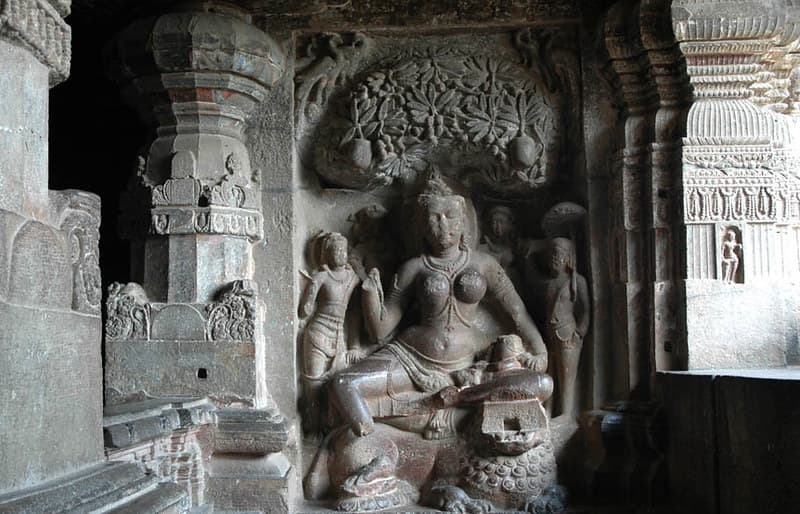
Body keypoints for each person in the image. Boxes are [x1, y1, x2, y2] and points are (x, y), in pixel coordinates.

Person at [329, 174, 549, 438]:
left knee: (541, 383)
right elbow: (379, 330)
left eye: (450, 216)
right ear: (421, 225)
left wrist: (539, 351)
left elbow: (517, 312)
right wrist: (370, 292)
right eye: (434, 217)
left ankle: (455, 400)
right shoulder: (414, 268)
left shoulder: (484, 265)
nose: (442, 224)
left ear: (464, 221)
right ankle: (370, 439)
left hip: (467, 369)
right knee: (344, 383)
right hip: (411, 358)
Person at [299, 232, 360, 433]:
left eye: (344, 250)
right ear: (326, 254)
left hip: (338, 338)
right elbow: (304, 310)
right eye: (335, 250)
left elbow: (355, 314)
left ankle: (330, 428)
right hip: (317, 334)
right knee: (313, 385)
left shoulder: (353, 278)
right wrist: (311, 289)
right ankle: (312, 427)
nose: (341, 254)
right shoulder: (322, 276)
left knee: (337, 384)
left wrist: (354, 346)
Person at [540, 237, 589, 418]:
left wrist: (579, 332)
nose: (553, 258)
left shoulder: (577, 282)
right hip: (551, 333)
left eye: (557, 253)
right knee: (550, 372)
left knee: (567, 376)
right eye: (551, 253)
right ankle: (550, 410)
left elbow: (585, 310)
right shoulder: (550, 283)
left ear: (567, 257)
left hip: (567, 333)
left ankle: (566, 414)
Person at [477, 205, 522, 288]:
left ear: (509, 225)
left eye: (501, 222)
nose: (498, 227)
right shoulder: (483, 247)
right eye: (494, 223)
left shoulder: (514, 247)